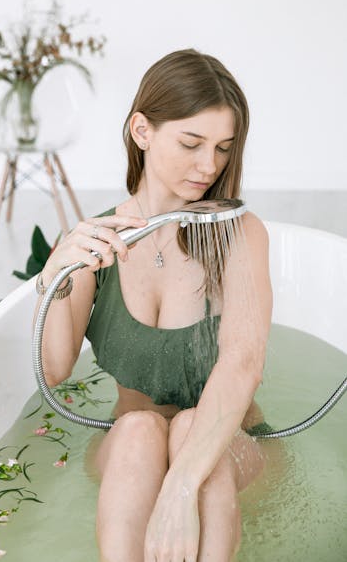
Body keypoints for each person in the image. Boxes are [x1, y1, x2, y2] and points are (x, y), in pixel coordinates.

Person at [32, 49, 274, 562]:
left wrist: (180, 486)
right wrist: (56, 274)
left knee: (188, 427)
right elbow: (53, 369)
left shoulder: (240, 235)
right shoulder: (96, 239)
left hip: (227, 447)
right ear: (142, 130)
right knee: (140, 429)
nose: (209, 166)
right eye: (191, 143)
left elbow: (243, 362)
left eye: (223, 148)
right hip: (130, 456)